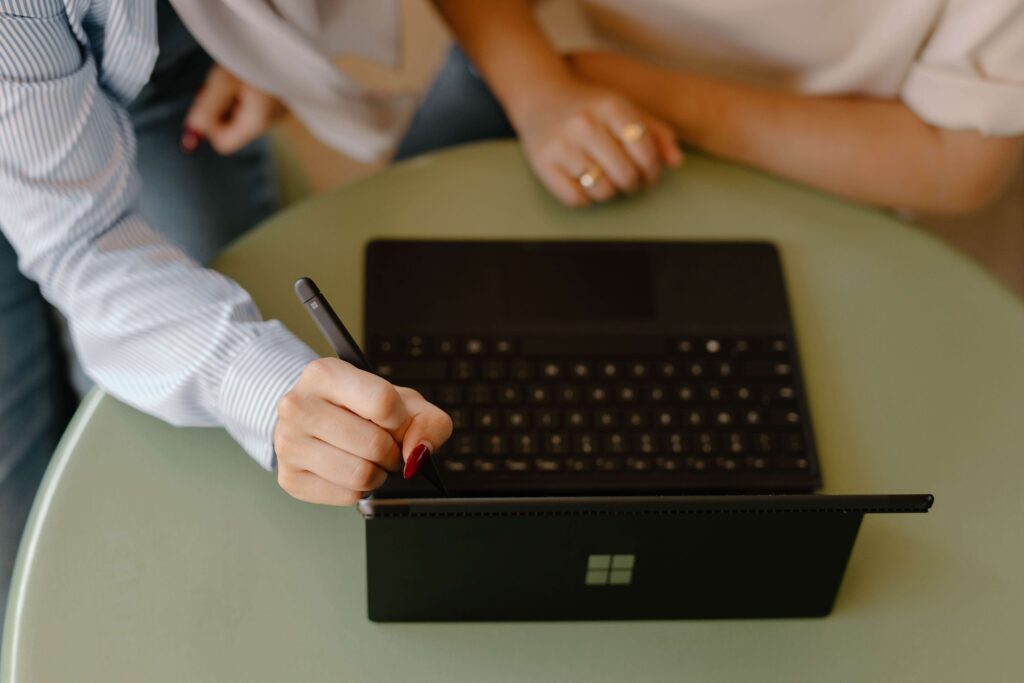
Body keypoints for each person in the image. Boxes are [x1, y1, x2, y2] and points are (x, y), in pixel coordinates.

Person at [0, 0, 450, 637]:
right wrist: (267, 388)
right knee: (21, 555)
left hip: (160, 70)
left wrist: (261, 45)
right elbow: (83, 244)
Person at [399, 0, 1024, 215]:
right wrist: (541, 92)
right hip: (533, 64)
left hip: (835, 146)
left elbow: (961, 163)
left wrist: (644, 91)